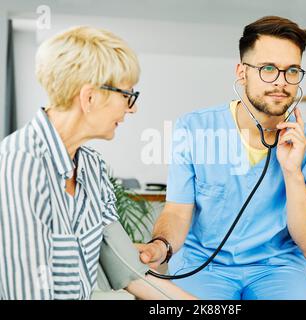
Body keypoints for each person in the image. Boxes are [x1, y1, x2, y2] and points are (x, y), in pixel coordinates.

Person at [135, 16, 306, 300]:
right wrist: (161, 246)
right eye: (268, 68)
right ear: (242, 73)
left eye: (291, 71)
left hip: (278, 269)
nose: (281, 82)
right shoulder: (194, 129)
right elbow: (178, 211)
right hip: (203, 266)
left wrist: (293, 172)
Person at [0, 26, 196, 300]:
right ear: (89, 97)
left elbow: (129, 270)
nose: (133, 107)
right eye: (127, 95)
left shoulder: (92, 167)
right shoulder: (20, 164)